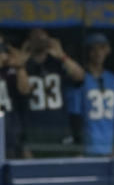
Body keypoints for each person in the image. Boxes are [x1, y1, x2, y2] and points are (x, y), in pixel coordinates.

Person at [21, 28, 85, 157]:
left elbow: (79, 77)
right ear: (29, 41)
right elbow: (21, 91)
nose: (40, 41)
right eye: (36, 38)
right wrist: (23, 55)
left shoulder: (57, 62)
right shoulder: (24, 65)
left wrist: (62, 55)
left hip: (60, 129)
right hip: (34, 132)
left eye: (43, 38)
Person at [69, 33, 114, 157]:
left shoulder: (113, 80)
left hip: (109, 146)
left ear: (108, 50)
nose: (98, 53)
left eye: (102, 48)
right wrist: (78, 145)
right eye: (93, 49)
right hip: (88, 146)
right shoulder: (80, 80)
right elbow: (75, 115)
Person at [0, 37, 29, 159]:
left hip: (10, 129)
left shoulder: (11, 70)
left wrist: (20, 67)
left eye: (2, 48)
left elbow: (25, 90)